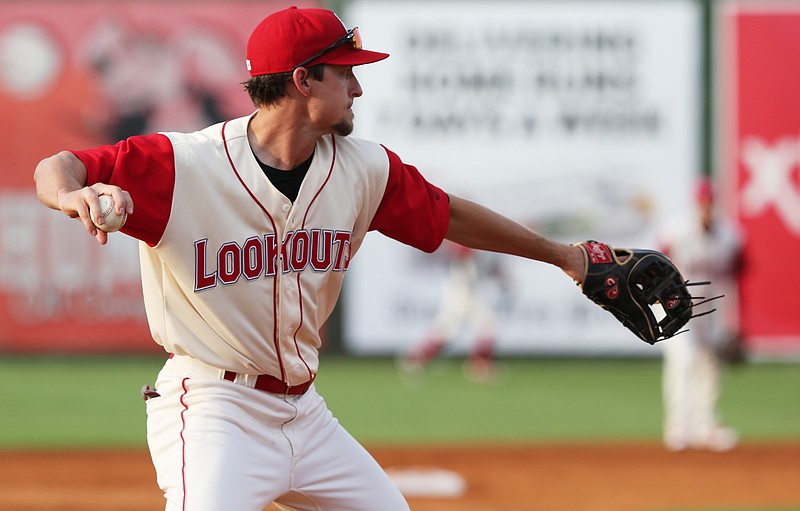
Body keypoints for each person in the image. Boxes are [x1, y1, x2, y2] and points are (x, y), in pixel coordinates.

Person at [34, 7, 587, 511]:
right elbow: (60, 166)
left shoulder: (363, 169)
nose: (357, 87)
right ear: (302, 79)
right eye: (345, 72)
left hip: (306, 413)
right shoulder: (184, 165)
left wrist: (566, 256)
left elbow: (451, 216)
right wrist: (69, 195)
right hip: (213, 409)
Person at [659, 178, 744, 452]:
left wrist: (737, 322)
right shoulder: (677, 231)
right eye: (702, 203)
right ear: (696, 205)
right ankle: (678, 426)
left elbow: (738, 274)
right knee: (684, 360)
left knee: (711, 364)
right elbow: (657, 266)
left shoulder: (730, 236)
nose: (706, 208)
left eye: (710, 203)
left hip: (711, 309)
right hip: (677, 306)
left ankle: (705, 425)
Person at [398, 241, 505, 384]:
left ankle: (480, 366)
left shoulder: (481, 243)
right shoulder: (466, 239)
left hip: (470, 288)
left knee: (485, 326)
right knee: (448, 329)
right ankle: (416, 358)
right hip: (460, 288)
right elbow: (461, 250)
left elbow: (487, 265)